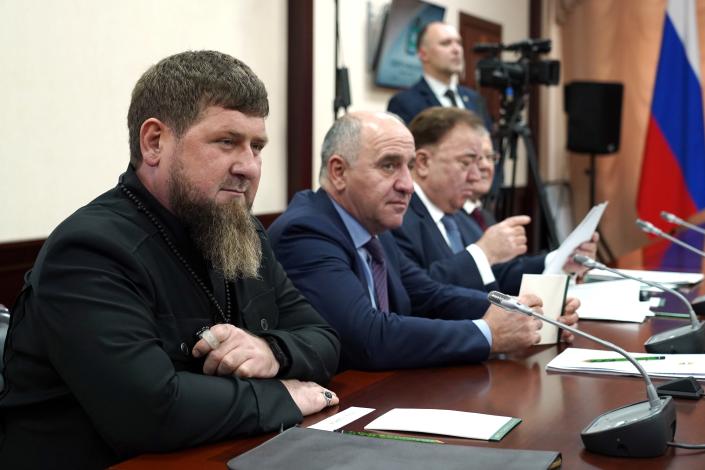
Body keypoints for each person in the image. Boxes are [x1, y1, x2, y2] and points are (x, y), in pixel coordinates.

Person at [0, 51, 340, 469]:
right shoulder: (88, 250)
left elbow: (323, 337)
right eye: (227, 141)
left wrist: (271, 351)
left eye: (257, 147)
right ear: (155, 142)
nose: (249, 167)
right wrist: (284, 395)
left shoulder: (240, 230)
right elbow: (148, 410)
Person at [268, 111, 579, 372]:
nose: (407, 185)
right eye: (389, 165)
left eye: (409, 166)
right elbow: (367, 338)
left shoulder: (374, 224)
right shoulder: (307, 231)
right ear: (338, 172)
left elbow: (430, 296)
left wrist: (528, 311)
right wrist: (487, 333)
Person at [393, 107, 597, 295]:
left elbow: (495, 276)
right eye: (465, 163)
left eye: (483, 160)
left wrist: (560, 259)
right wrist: (483, 253)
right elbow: (417, 295)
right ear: (423, 163)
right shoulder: (397, 218)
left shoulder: (460, 216)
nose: (475, 176)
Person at [387, 21, 491, 129]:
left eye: (459, 43)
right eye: (446, 43)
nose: (456, 50)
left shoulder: (475, 99)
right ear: (423, 54)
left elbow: (489, 142)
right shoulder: (404, 103)